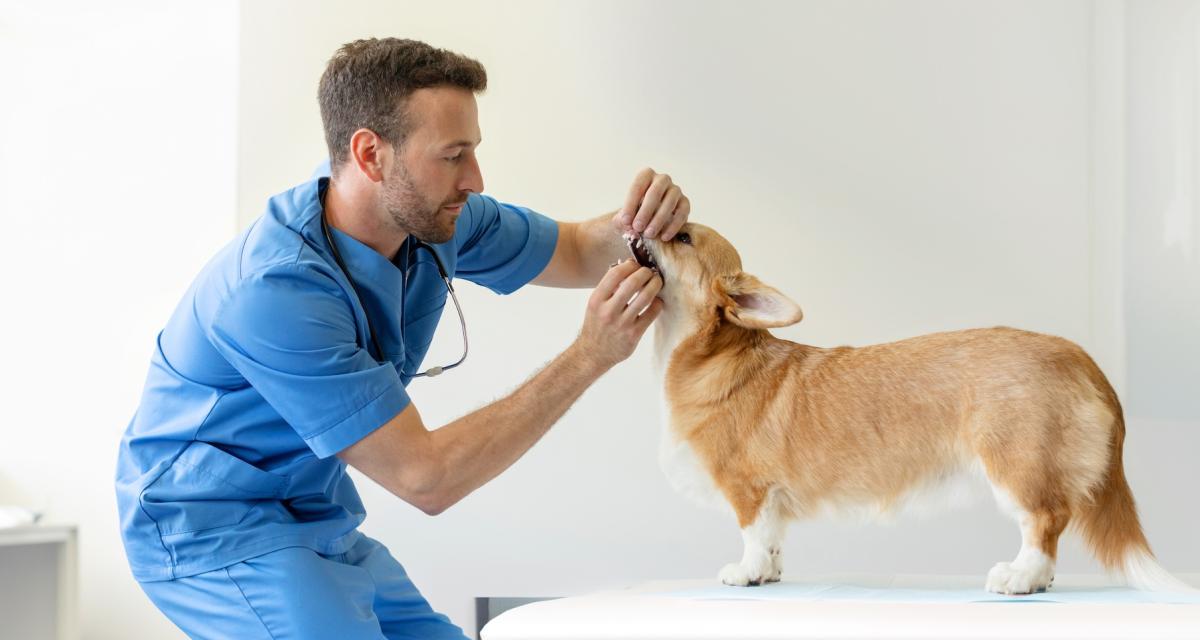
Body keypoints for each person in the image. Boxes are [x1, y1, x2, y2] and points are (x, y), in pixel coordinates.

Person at [114, 37, 690, 639]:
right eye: (453, 155)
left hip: (314, 516)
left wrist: (642, 227)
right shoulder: (271, 293)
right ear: (371, 154)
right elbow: (426, 478)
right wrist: (589, 356)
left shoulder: (430, 218)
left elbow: (574, 249)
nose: (475, 178)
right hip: (210, 533)